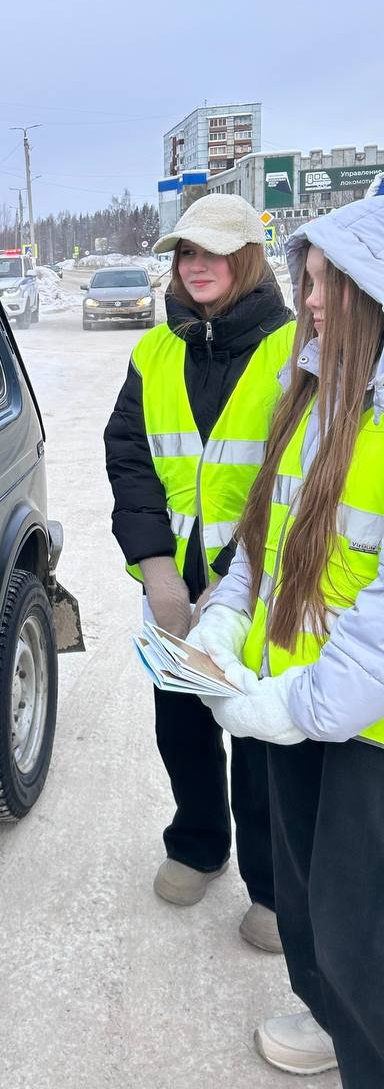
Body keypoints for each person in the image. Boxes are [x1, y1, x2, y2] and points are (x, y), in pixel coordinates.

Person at [190, 191, 384, 1084]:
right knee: (310, 911)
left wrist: (291, 703)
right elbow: (262, 541)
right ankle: (336, 1019)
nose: (309, 302)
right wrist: (229, 609)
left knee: (362, 933)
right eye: (306, 280)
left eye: (325, 285)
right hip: (301, 712)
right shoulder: (313, 391)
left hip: (361, 733)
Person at [103, 193, 294, 949]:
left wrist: (240, 575)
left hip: (262, 585)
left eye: (213, 252)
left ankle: (276, 887)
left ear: (247, 258)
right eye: (186, 252)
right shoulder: (155, 352)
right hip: (176, 587)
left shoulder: (294, 349)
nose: (197, 265)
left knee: (261, 736)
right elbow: (130, 459)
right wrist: (157, 570)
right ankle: (197, 843)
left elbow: (304, 471)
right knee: (181, 723)